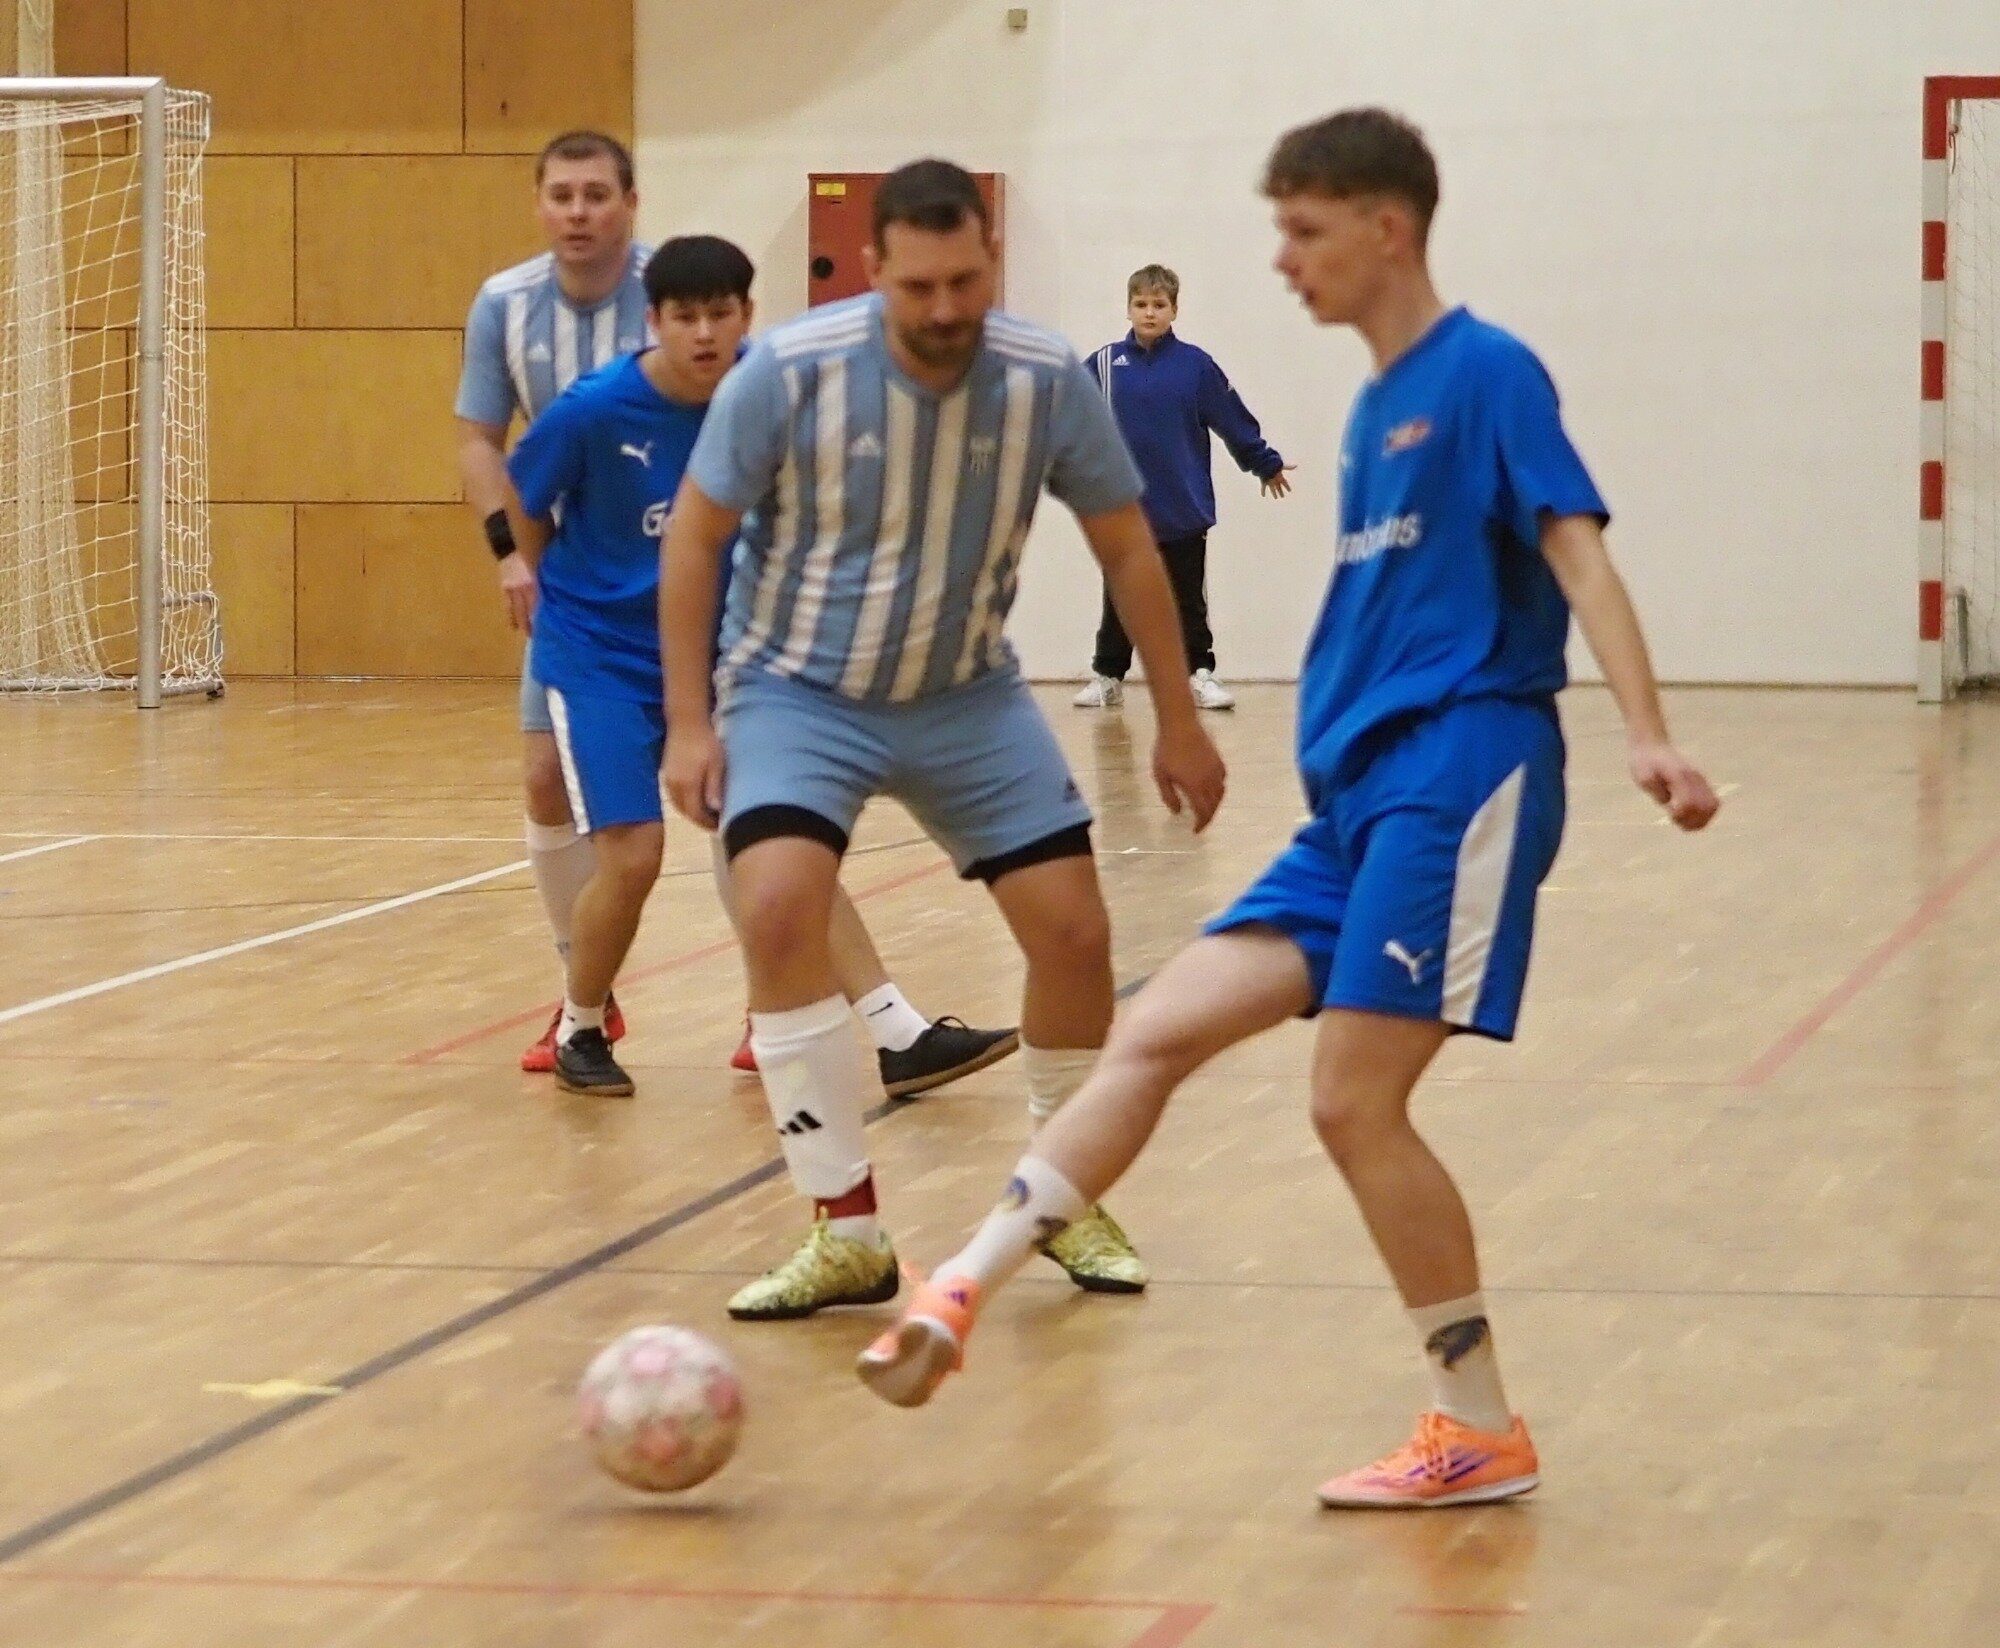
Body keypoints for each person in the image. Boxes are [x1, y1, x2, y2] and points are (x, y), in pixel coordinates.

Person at [855, 110, 1721, 1516]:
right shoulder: (1375, 409)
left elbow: (1577, 554)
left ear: (1388, 228)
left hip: (1459, 770)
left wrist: (1646, 731)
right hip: (1355, 811)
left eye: (1304, 231)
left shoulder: (1487, 373)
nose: (1282, 259)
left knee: (1349, 1099)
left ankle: (1476, 1425)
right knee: (1153, 1032)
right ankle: (956, 1293)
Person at [658, 159, 1227, 1320]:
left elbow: (1126, 545)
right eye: (917, 286)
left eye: (964, 281)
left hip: (963, 691)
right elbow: (695, 538)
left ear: (991, 262)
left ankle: (1061, 1200)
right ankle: (845, 1231)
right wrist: (686, 721)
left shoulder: (1042, 378)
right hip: (796, 690)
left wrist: (1175, 715)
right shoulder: (789, 371)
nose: (943, 307)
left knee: (1072, 931)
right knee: (777, 904)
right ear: (874, 270)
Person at [456, 130, 1010, 1094]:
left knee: (780, 834)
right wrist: (531, 579)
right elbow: (521, 493)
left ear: (748, 316)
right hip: (602, 657)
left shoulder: (773, 394)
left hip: (728, 655)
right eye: (686, 317)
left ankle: (900, 1033)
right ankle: (582, 1024)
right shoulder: (593, 410)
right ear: (656, 322)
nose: (705, 334)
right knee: (632, 855)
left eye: (721, 315)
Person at [1074, 264, 1293, 713]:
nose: (1149, 313)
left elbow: (1232, 419)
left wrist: (1264, 463)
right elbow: (1068, 412)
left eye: (1159, 305)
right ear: (1128, 308)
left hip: (1183, 507)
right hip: (1125, 510)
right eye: (1141, 304)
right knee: (1120, 596)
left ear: (1174, 310)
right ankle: (1108, 676)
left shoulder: (1195, 367)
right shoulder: (1103, 365)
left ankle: (1200, 673)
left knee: (1188, 600)